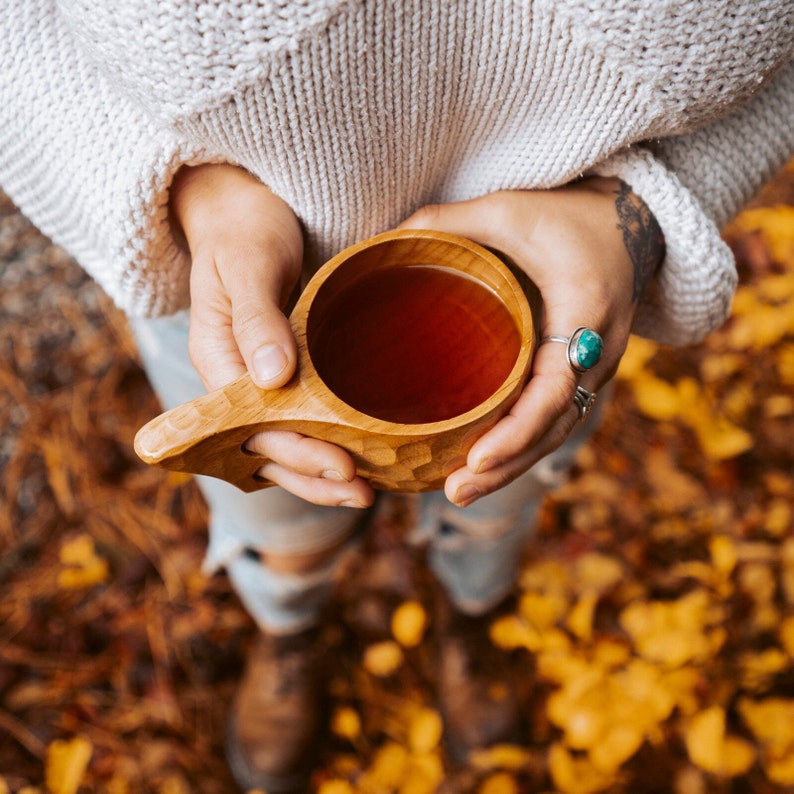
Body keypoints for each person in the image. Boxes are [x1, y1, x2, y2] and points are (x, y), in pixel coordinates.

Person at [2, 2, 793, 790]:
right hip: (240, 296)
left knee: (493, 505)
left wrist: (637, 219)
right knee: (279, 523)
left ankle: (470, 616)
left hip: (551, 318)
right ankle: (291, 629)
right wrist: (197, 193)